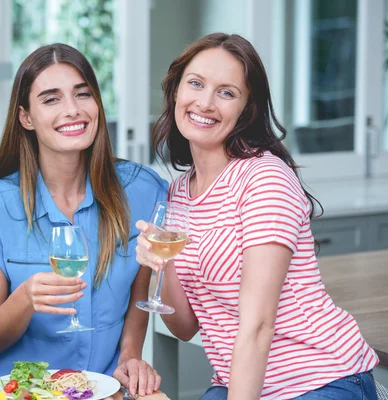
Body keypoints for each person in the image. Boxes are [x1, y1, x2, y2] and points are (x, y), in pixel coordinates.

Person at [136, 33, 378, 400]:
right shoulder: (179, 194)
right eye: (196, 83)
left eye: (227, 92)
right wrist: (161, 265)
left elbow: (259, 323)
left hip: (320, 378)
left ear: (246, 109)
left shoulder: (264, 179)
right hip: (241, 382)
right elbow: (184, 326)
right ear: (175, 92)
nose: (205, 102)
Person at [0, 43, 166, 397]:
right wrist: (24, 298)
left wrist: (131, 354)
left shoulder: (142, 191)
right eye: (51, 99)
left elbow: (140, 291)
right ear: (26, 117)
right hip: (23, 392)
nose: (72, 110)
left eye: (82, 94)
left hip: (109, 390)